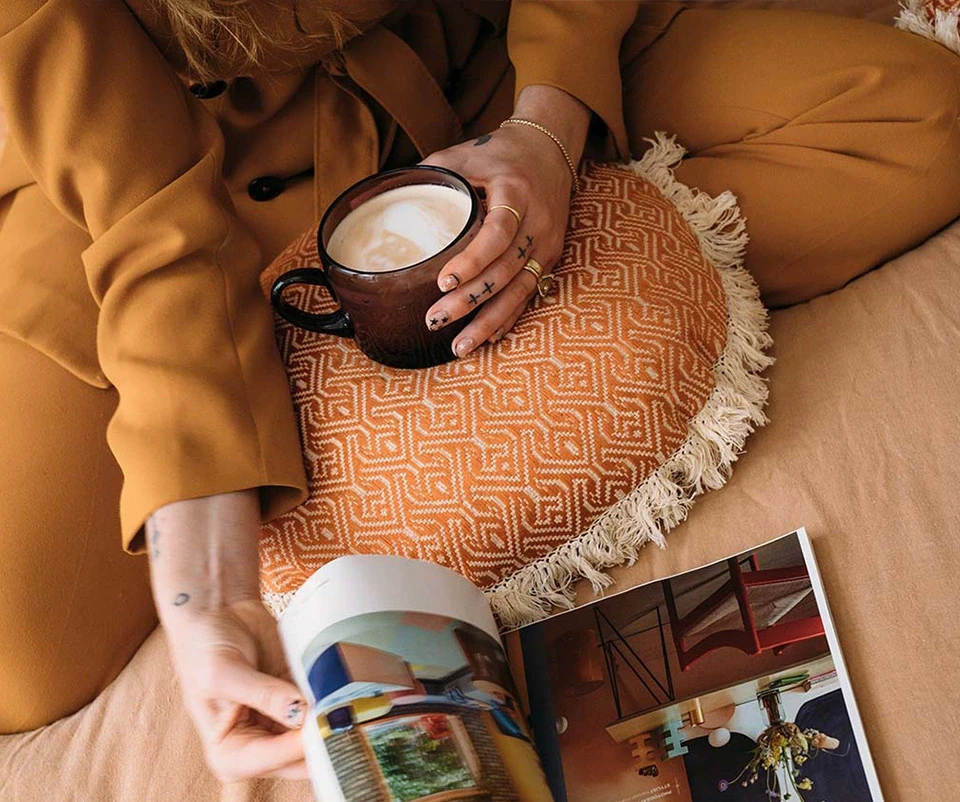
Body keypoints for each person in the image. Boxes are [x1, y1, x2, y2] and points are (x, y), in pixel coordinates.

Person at [1, 0, 958, 783]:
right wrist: (206, 589)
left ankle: (532, 276)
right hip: (135, 200)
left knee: (921, 120)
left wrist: (544, 138)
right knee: (18, 653)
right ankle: (334, 386)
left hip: (467, 65)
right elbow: (150, 216)